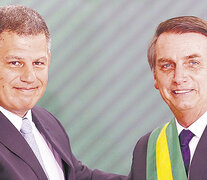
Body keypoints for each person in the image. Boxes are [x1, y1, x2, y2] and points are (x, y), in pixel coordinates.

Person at [0, 5, 126, 180]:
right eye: (15, 63)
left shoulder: (46, 120)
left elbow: (78, 175)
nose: (29, 77)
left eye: (38, 63)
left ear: (49, 61)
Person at [128, 16, 207, 180]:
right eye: (167, 65)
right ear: (155, 78)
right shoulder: (147, 149)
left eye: (193, 63)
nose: (179, 77)